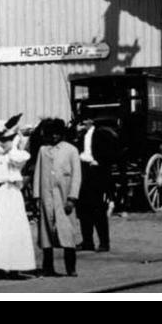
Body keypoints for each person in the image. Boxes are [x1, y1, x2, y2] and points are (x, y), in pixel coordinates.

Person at [0, 119, 36, 276]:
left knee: (15, 229)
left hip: (13, 194)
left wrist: (15, 142)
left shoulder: (16, 157)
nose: (3, 143)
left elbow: (20, 158)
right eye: (1, 140)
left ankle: (15, 265)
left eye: (7, 140)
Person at [32, 118, 83, 277]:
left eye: (56, 134)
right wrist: (37, 196)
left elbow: (76, 176)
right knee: (47, 233)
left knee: (67, 231)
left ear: (61, 134)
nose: (53, 137)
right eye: (50, 134)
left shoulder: (71, 150)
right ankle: (48, 267)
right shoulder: (43, 150)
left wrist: (72, 197)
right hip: (47, 196)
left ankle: (71, 267)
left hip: (64, 197)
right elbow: (38, 174)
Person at [76, 115, 118, 252]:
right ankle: (87, 241)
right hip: (84, 171)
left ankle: (104, 242)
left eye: (85, 121)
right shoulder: (81, 136)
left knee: (98, 209)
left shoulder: (101, 134)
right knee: (83, 209)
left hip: (97, 172)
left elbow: (110, 153)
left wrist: (99, 162)